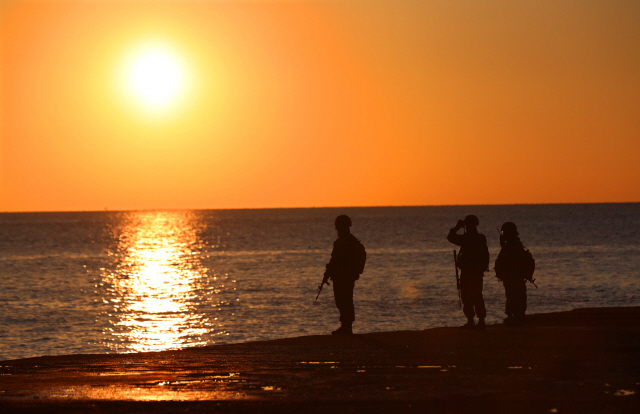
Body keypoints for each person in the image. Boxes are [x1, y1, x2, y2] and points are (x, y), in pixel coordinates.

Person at [321, 215, 365, 335]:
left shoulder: (343, 242)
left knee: (344, 300)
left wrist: (328, 273)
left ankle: (346, 327)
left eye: (338, 227)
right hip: (345, 276)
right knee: (343, 301)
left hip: (343, 276)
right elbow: (334, 261)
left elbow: (335, 260)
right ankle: (346, 326)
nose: (337, 230)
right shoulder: (350, 241)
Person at [447, 215, 489, 329]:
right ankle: (480, 321)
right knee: (476, 296)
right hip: (476, 272)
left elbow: (450, 237)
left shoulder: (466, 239)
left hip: (468, 272)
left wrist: (457, 227)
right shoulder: (480, 238)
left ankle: (472, 321)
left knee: (468, 296)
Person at [494, 222, 529, 325]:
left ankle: (515, 318)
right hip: (514, 277)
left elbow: (507, 259)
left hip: (513, 277)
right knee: (516, 297)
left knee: (513, 297)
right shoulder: (514, 245)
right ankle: (516, 317)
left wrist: (503, 245)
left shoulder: (511, 246)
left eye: (504, 232)